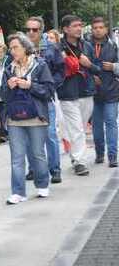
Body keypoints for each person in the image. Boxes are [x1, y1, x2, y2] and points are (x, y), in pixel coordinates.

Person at [1, 33, 55, 205]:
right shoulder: (9, 69)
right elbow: (3, 95)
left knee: (37, 153)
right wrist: (8, 87)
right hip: (14, 118)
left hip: (36, 117)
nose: (12, 51)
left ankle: (42, 184)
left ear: (25, 48)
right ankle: (18, 192)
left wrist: (30, 85)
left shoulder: (40, 65)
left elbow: (48, 91)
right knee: (16, 157)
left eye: (16, 47)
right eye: (11, 48)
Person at [57, 15, 99, 176]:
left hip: (86, 91)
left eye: (80, 25)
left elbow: (97, 68)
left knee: (79, 127)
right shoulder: (58, 48)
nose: (79, 28)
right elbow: (53, 70)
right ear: (66, 29)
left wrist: (89, 65)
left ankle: (75, 157)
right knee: (77, 129)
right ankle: (80, 162)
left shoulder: (87, 46)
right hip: (67, 93)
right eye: (75, 26)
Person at [25, 17, 65, 184]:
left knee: (49, 135)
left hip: (45, 98)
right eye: (28, 29)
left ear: (41, 30)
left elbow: (60, 70)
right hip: (26, 98)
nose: (31, 33)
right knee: (28, 136)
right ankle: (33, 168)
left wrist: (50, 86)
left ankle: (55, 169)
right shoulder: (20, 47)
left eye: (35, 29)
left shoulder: (51, 48)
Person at [89, 17, 119, 167]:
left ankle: (112, 155)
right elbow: (81, 67)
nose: (98, 30)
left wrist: (114, 67)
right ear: (92, 29)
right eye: (95, 27)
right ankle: (99, 153)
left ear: (106, 29)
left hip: (111, 91)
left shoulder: (114, 45)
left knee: (111, 123)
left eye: (101, 27)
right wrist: (91, 76)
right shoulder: (86, 45)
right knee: (97, 125)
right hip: (93, 93)